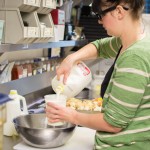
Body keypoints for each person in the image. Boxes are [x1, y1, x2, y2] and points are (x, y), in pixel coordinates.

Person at [46, 0, 150, 149]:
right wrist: (71, 58)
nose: (99, 21)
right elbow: (100, 46)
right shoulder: (129, 42)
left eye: (101, 15)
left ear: (119, 12)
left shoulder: (135, 57)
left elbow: (113, 123)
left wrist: (72, 116)